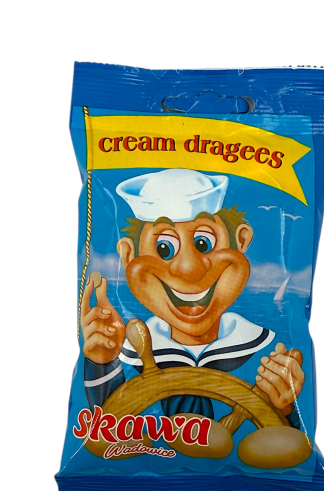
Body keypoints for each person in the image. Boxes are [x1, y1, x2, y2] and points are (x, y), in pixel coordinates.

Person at [81, 168, 305, 425]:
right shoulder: (127, 353)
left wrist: (284, 407)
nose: (189, 269)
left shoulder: (264, 354)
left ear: (241, 241)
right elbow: (105, 429)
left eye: (203, 243)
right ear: (129, 255)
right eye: (164, 248)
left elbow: (286, 440)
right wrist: (101, 362)